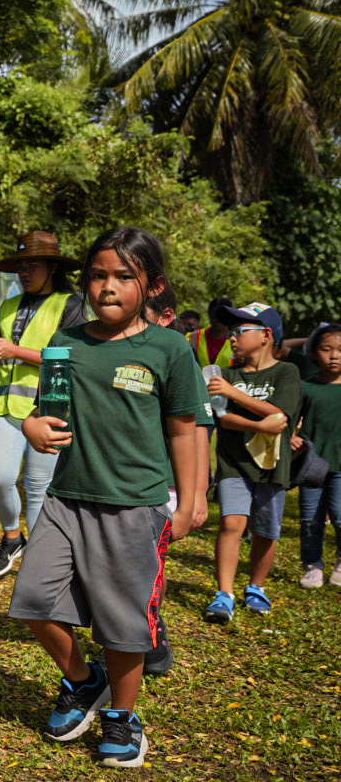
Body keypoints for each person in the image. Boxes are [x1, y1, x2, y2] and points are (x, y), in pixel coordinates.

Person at [15, 227, 199, 769]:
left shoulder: (168, 348)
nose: (109, 287)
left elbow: (185, 429)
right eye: (99, 275)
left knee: (123, 623)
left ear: (153, 285)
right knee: (32, 599)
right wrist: (31, 427)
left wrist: (189, 500)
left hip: (134, 506)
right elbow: (45, 410)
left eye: (124, 276)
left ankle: (123, 716)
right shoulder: (66, 344)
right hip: (66, 498)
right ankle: (84, 681)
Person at [0, 231, 87, 580]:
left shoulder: (71, 304)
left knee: (40, 484)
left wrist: (13, 351)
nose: (24, 272)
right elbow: (3, 359)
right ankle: (13, 538)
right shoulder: (8, 305)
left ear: (52, 268)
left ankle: (40, 560)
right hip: (6, 406)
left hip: (49, 408)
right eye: (21, 266)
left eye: (33, 266)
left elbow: (71, 359)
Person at [204, 302, 302, 623]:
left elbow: (281, 414)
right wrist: (260, 424)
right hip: (233, 462)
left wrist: (236, 394)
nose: (232, 337)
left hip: (272, 464)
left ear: (266, 335)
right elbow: (224, 418)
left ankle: (256, 587)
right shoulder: (227, 374)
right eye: (231, 331)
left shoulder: (286, 372)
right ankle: (225, 593)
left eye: (240, 331)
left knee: (266, 530)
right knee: (231, 523)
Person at [139, 280, 213, 677]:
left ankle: (150, 631)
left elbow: (197, 428)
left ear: (166, 317)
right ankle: (131, 628)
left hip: (164, 482)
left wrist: (196, 494)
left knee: (150, 565)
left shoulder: (179, 355)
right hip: (123, 481)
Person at [295, 324, 341, 588]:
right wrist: (291, 436)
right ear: (313, 353)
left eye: (340, 350)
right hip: (313, 465)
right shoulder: (306, 387)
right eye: (326, 349)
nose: (334, 356)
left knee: (340, 514)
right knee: (311, 518)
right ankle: (312, 566)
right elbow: (290, 420)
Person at [188, 297, 237, 370]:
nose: (217, 319)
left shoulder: (238, 337)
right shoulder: (192, 337)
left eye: (221, 315)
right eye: (214, 315)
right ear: (209, 314)